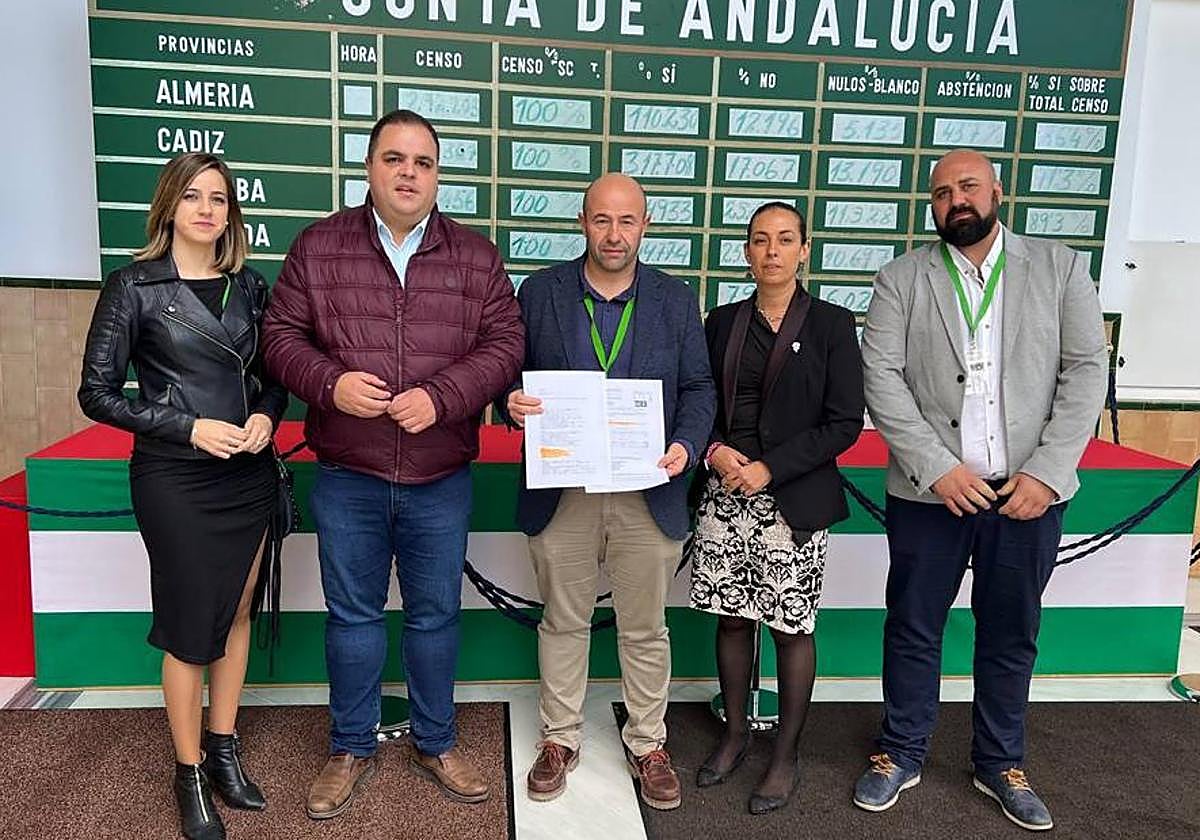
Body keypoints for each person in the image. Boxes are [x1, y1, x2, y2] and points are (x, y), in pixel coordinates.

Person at [261, 109, 524, 818]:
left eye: (424, 162)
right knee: (352, 619)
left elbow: (505, 343)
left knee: (436, 618)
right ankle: (349, 746)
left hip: (441, 475)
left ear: (438, 176)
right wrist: (329, 384)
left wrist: (442, 397)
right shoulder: (319, 247)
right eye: (394, 158)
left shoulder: (475, 256)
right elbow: (279, 337)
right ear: (369, 166)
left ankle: (436, 742)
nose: (409, 173)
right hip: (349, 472)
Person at [854, 149, 1107, 831]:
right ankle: (900, 752)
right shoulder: (899, 279)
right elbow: (880, 377)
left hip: (1027, 495)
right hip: (930, 494)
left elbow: (1086, 373)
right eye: (941, 194)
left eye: (967, 187)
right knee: (912, 628)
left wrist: (1049, 474)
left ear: (998, 191)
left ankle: (999, 762)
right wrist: (937, 465)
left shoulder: (1059, 269)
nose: (955, 201)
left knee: (1010, 632)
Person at [78, 152, 288, 840]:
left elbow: (272, 378)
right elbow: (97, 394)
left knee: (234, 617)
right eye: (193, 196)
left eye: (219, 198)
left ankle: (225, 751)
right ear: (170, 205)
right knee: (190, 630)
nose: (207, 209)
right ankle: (189, 770)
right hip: (175, 476)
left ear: (232, 212)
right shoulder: (132, 287)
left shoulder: (251, 288)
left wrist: (265, 417)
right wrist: (190, 426)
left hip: (248, 476)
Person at [500, 172, 715, 810]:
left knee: (645, 628)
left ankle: (648, 741)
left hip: (649, 487)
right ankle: (559, 738)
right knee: (562, 619)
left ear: (644, 226)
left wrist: (687, 446)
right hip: (563, 489)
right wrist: (507, 401)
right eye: (601, 220)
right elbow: (504, 371)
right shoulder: (538, 293)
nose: (614, 234)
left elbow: (700, 389)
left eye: (627, 221)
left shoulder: (676, 301)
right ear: (582, 222)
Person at [688, 202, 864, 814]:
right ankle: (735, 733)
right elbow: (700, 399)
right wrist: (713, 451)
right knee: (731, 620)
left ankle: (784, 754)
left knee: (791, 629)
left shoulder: (833, 326)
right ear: (745, 251)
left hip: (792, 501)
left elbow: (845, 424)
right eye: (760, 240)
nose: (772, 251)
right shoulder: (722, 322)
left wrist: (772, 466)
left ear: (804, 250)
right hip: (725, 495)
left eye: (785, 240)